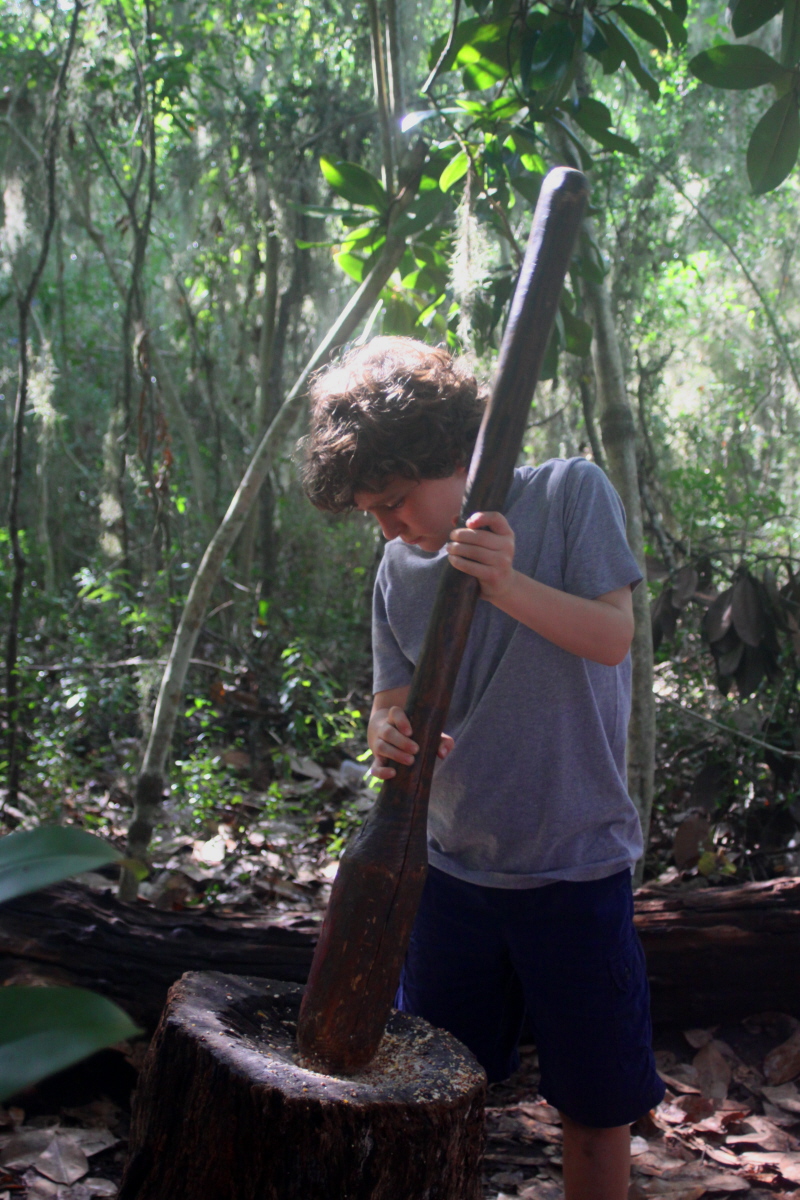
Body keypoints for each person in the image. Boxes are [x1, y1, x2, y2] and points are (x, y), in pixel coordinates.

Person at [299, 335, 664, 1200]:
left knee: (594, 1102)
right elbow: (389, 697)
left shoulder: (569, 492)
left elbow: (614, 639)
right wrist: (386, 732)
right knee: (437, 1090)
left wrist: (505, 583)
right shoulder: (397, 567)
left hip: (577, 867)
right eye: (371, 512)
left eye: (392, 500)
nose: (386, 525)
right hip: (450, 874)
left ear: (451, 456)